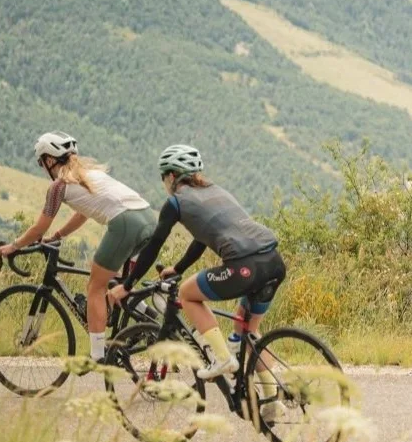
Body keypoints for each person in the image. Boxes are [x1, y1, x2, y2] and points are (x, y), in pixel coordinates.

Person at [109, 145, 286, 417]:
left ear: (171, 176)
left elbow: (154, 244)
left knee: (187, 293)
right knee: (248, 333)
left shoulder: (176, 202)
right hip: (273, 262)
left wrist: (128, 284)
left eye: (163, 177)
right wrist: (178, 267)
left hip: (244, 267)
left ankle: (222, 358)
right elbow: (202, 238)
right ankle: (273, 401)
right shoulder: (215, 191)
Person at [0, 132, 157, 363]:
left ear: (49, 160)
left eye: (41, 163)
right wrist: (58, 236)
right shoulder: (88, 175)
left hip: (125, 224)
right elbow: (82, 214)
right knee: (117, 283)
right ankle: (152, 324)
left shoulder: (59, 186)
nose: (42, 168)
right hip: (149, 221)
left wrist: (13, 247)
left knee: (95, 287)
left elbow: (38, 228)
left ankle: (97, 356)